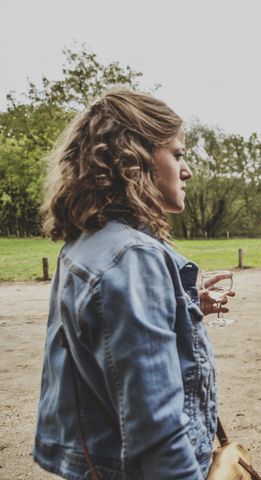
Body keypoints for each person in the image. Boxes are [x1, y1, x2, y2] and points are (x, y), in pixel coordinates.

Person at [33, 89, 233, 478]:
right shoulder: (132, 257)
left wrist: (184, 304)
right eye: (176, 154)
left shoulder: (90, 240)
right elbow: (155, 435)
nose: (187, 170)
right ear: (133, 160)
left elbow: (101, 342)